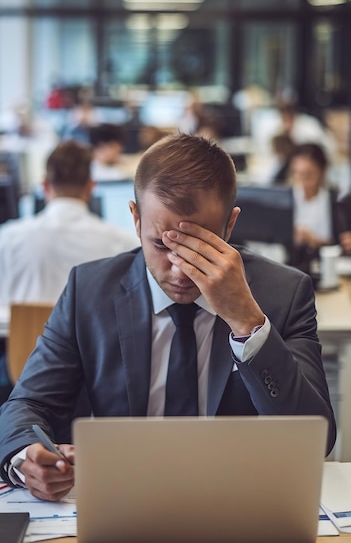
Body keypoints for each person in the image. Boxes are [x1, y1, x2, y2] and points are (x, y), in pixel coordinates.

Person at [0, 133, 336, 502]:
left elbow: (316, 439)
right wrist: (26, 459)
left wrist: (249, 324)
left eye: (200, 248)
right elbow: (26, 404)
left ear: (230, 226)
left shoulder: (282, 294)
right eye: (161, 245)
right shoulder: (89, 290)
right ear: (135, 218)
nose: (179, 272)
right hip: (123, 503)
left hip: (237, 502)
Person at [0, 139, 139, 306]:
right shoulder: (125, 244)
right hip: (89, 332)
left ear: (45, 185)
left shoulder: (7, 239)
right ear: (90, 187)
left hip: (24, 332)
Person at [288, 143, 339, 255]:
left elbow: (339, 240)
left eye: (309, 174)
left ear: (321, 171)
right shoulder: (286, 198)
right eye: (299, 174)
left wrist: (314, 240)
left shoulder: (335, 201)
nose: (303, 181)